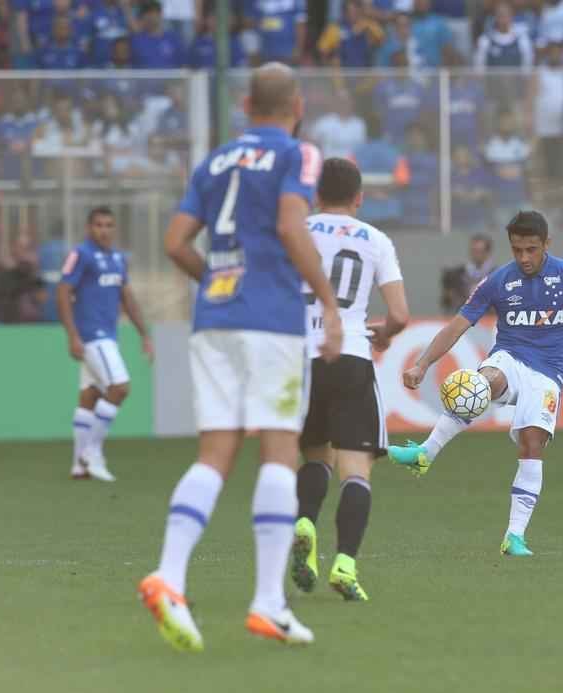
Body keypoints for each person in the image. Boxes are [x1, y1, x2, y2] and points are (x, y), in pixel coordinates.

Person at [139, 63, 343, 653]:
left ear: (248, 104)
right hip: (271, 321)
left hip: (216, 320)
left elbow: (176, 242)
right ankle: (267, 603)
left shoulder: (216, 160)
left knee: (215, 453)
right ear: (296, 105)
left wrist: (216, 283)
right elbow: (289, 223)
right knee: (279, 451)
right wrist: (327, 303)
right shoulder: (299, 155)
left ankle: (170, 576)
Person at [385, 210, 563, 557]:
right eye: (517, 250)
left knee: (531, 444)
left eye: (531, 249)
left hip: (547, 373)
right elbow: (457, 325)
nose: (524, 258)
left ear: (546, 245)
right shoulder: (498, 281)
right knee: (481, 383)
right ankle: (426, 453)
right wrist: (422, 364)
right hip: (509, 358)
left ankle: (514, 536)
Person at [291, 158, 410, 603]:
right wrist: (385, 332)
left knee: (315, 456)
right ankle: (345, 564)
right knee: (356, 470)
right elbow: (399, 314)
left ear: (316, 196)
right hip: (353, 355)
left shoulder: (298, 230)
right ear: (359, 198)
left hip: (303, 357)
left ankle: (305, 521)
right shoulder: (376, 240)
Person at [56, 207, 152, 482]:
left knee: (89, 396)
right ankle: (92, 451)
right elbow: (63, 292)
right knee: (120, 388)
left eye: (109, 225)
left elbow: (127, 297)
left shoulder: (119, 259)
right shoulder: (82, 254)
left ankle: (78, 465)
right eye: (98, 225)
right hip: (91, 335)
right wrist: (72, 335)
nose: (104, 230)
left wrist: (144, 333)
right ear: (89, 228)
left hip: (108, 334)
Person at [440, 232, 495, 314]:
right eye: (474, 250)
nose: (476, 254)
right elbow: (446, 302)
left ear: (487, 252)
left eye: (480, 251)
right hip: (462, 319)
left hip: (490, 321)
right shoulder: (455, 275)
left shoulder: (497, 275)